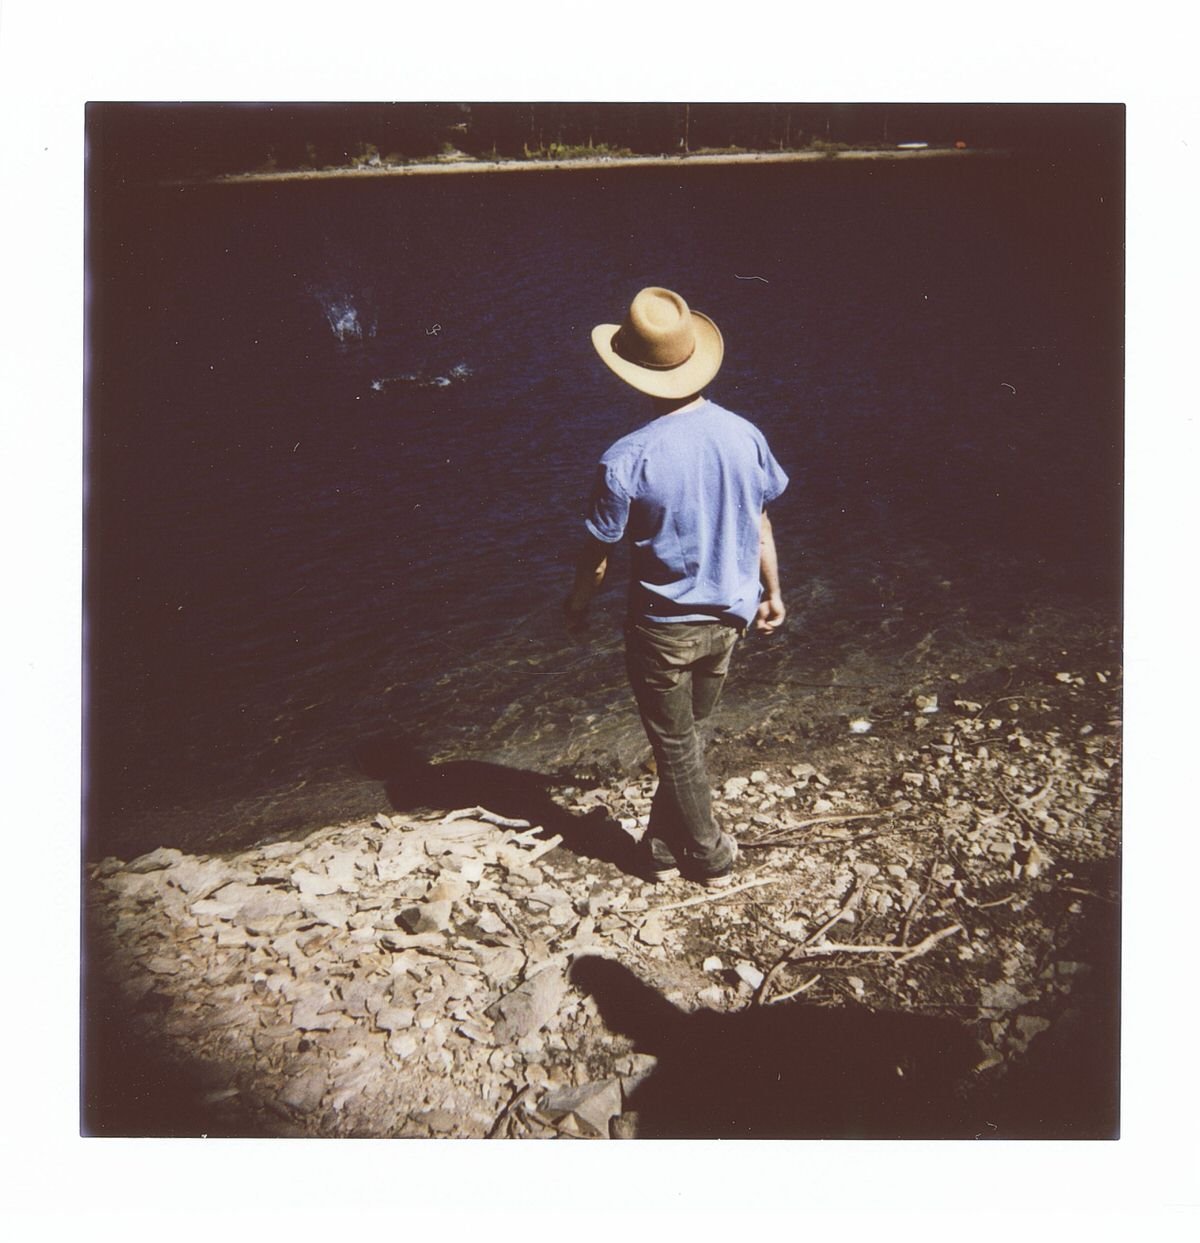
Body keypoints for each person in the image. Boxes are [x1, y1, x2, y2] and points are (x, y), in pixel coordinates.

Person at [564, 287, 788, 887]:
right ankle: (660, 850)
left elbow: (598, 554)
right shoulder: (745, 434)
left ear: (633, 375)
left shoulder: (626, 458)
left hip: (664, 629)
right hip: (731, 620)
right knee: (686, 738)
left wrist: (577, 606)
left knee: (677, 745)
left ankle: (711, 856)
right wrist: (774, 592)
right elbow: (760, 519)